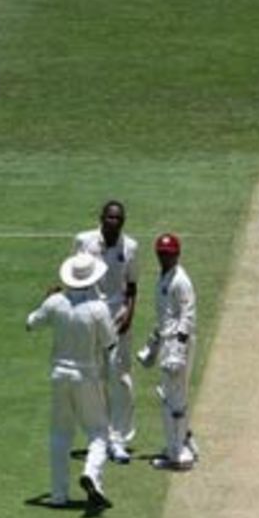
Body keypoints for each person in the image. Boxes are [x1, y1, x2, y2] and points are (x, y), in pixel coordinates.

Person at [25, 252, 118, 515]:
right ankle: (90, 474)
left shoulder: (56, 302)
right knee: (98, 432)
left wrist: (48, 302)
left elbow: (30, 323)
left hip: (59, 376)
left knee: (60, 434)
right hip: (86, 375)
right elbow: (109, 343)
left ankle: (58, 494)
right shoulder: (98, 308)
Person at [73, 200, 139, 464]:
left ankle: (119, 439)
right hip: (91, 317)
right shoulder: (84, 241)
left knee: (120, 379)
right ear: (101, 218)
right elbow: (74, 278)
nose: (114, 222)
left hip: (118, 319)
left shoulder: (131, 247)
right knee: (94, 379)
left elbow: (132, 286)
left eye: (118, 219)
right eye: (110, 218)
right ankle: (100, 437)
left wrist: (130, 315)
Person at [136, 233, 198, 470]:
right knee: (169, 396)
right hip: (168, 341)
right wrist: (153, 342)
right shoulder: (163, 278)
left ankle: (177, 453)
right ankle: (183, 443)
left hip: (177, 344)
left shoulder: (181, 280)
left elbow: (187, 316)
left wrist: (178, 351)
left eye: (169, 254)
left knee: (174, 398)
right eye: (161, 254)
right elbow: (166, 317)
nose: (164, 257)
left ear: (177, 254)